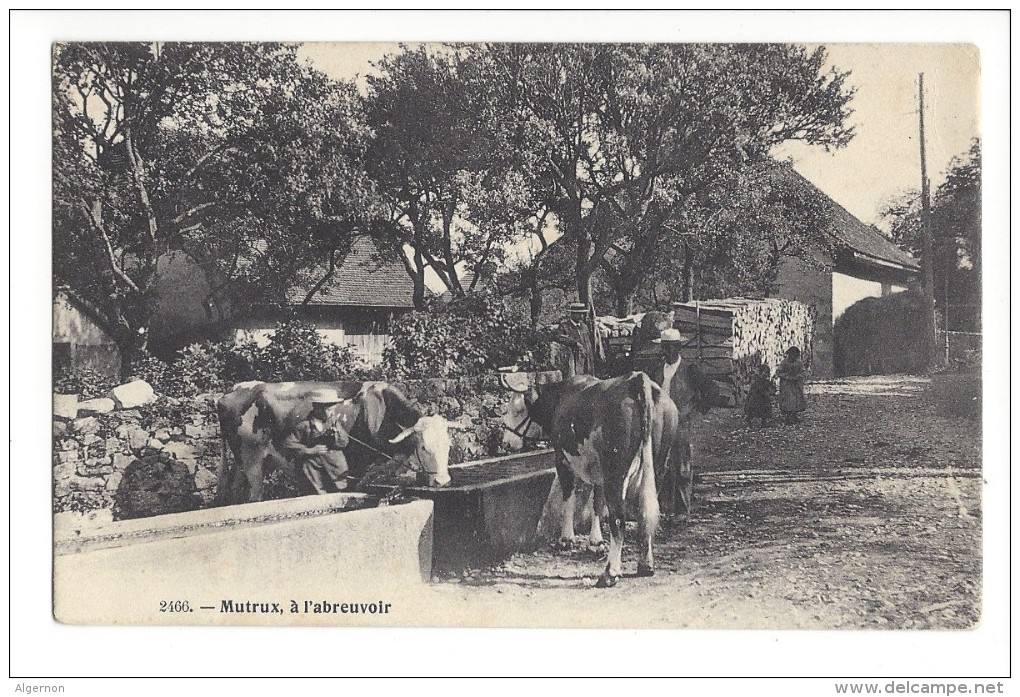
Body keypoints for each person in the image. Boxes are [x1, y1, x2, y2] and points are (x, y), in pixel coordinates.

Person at [282, 388, 351, 494]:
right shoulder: (304, 426)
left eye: (333, 409)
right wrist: (310, 450)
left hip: (335, 467)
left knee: (339, 492)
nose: (331, 413)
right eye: (329, 410)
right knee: (318, 495)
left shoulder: (334, 422)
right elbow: (288, 444)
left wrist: (336, 435)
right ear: (317, 407)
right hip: (314, 468)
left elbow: (345, 442)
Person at [555, 302, 600, 377]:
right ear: (572, 314)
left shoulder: (584, 327)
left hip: (587, 358)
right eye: (578, 314)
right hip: (574, 359)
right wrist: (574, 343)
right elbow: (558, 337)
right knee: (576, 381)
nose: (581, 316)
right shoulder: (565, 326)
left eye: (582, 314)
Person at [775, 346, 808, 424]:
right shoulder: (784, 363)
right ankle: (787, 416)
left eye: (794, 355)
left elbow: (803, 372)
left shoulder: (799, 363)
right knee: (787, 400)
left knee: (795, 400)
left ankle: (794, 415)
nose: (792, 357)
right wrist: (786, 376)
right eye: (791, 355)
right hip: (786, 385)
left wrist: (797, 377)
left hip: (795, 385)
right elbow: (779, 372)